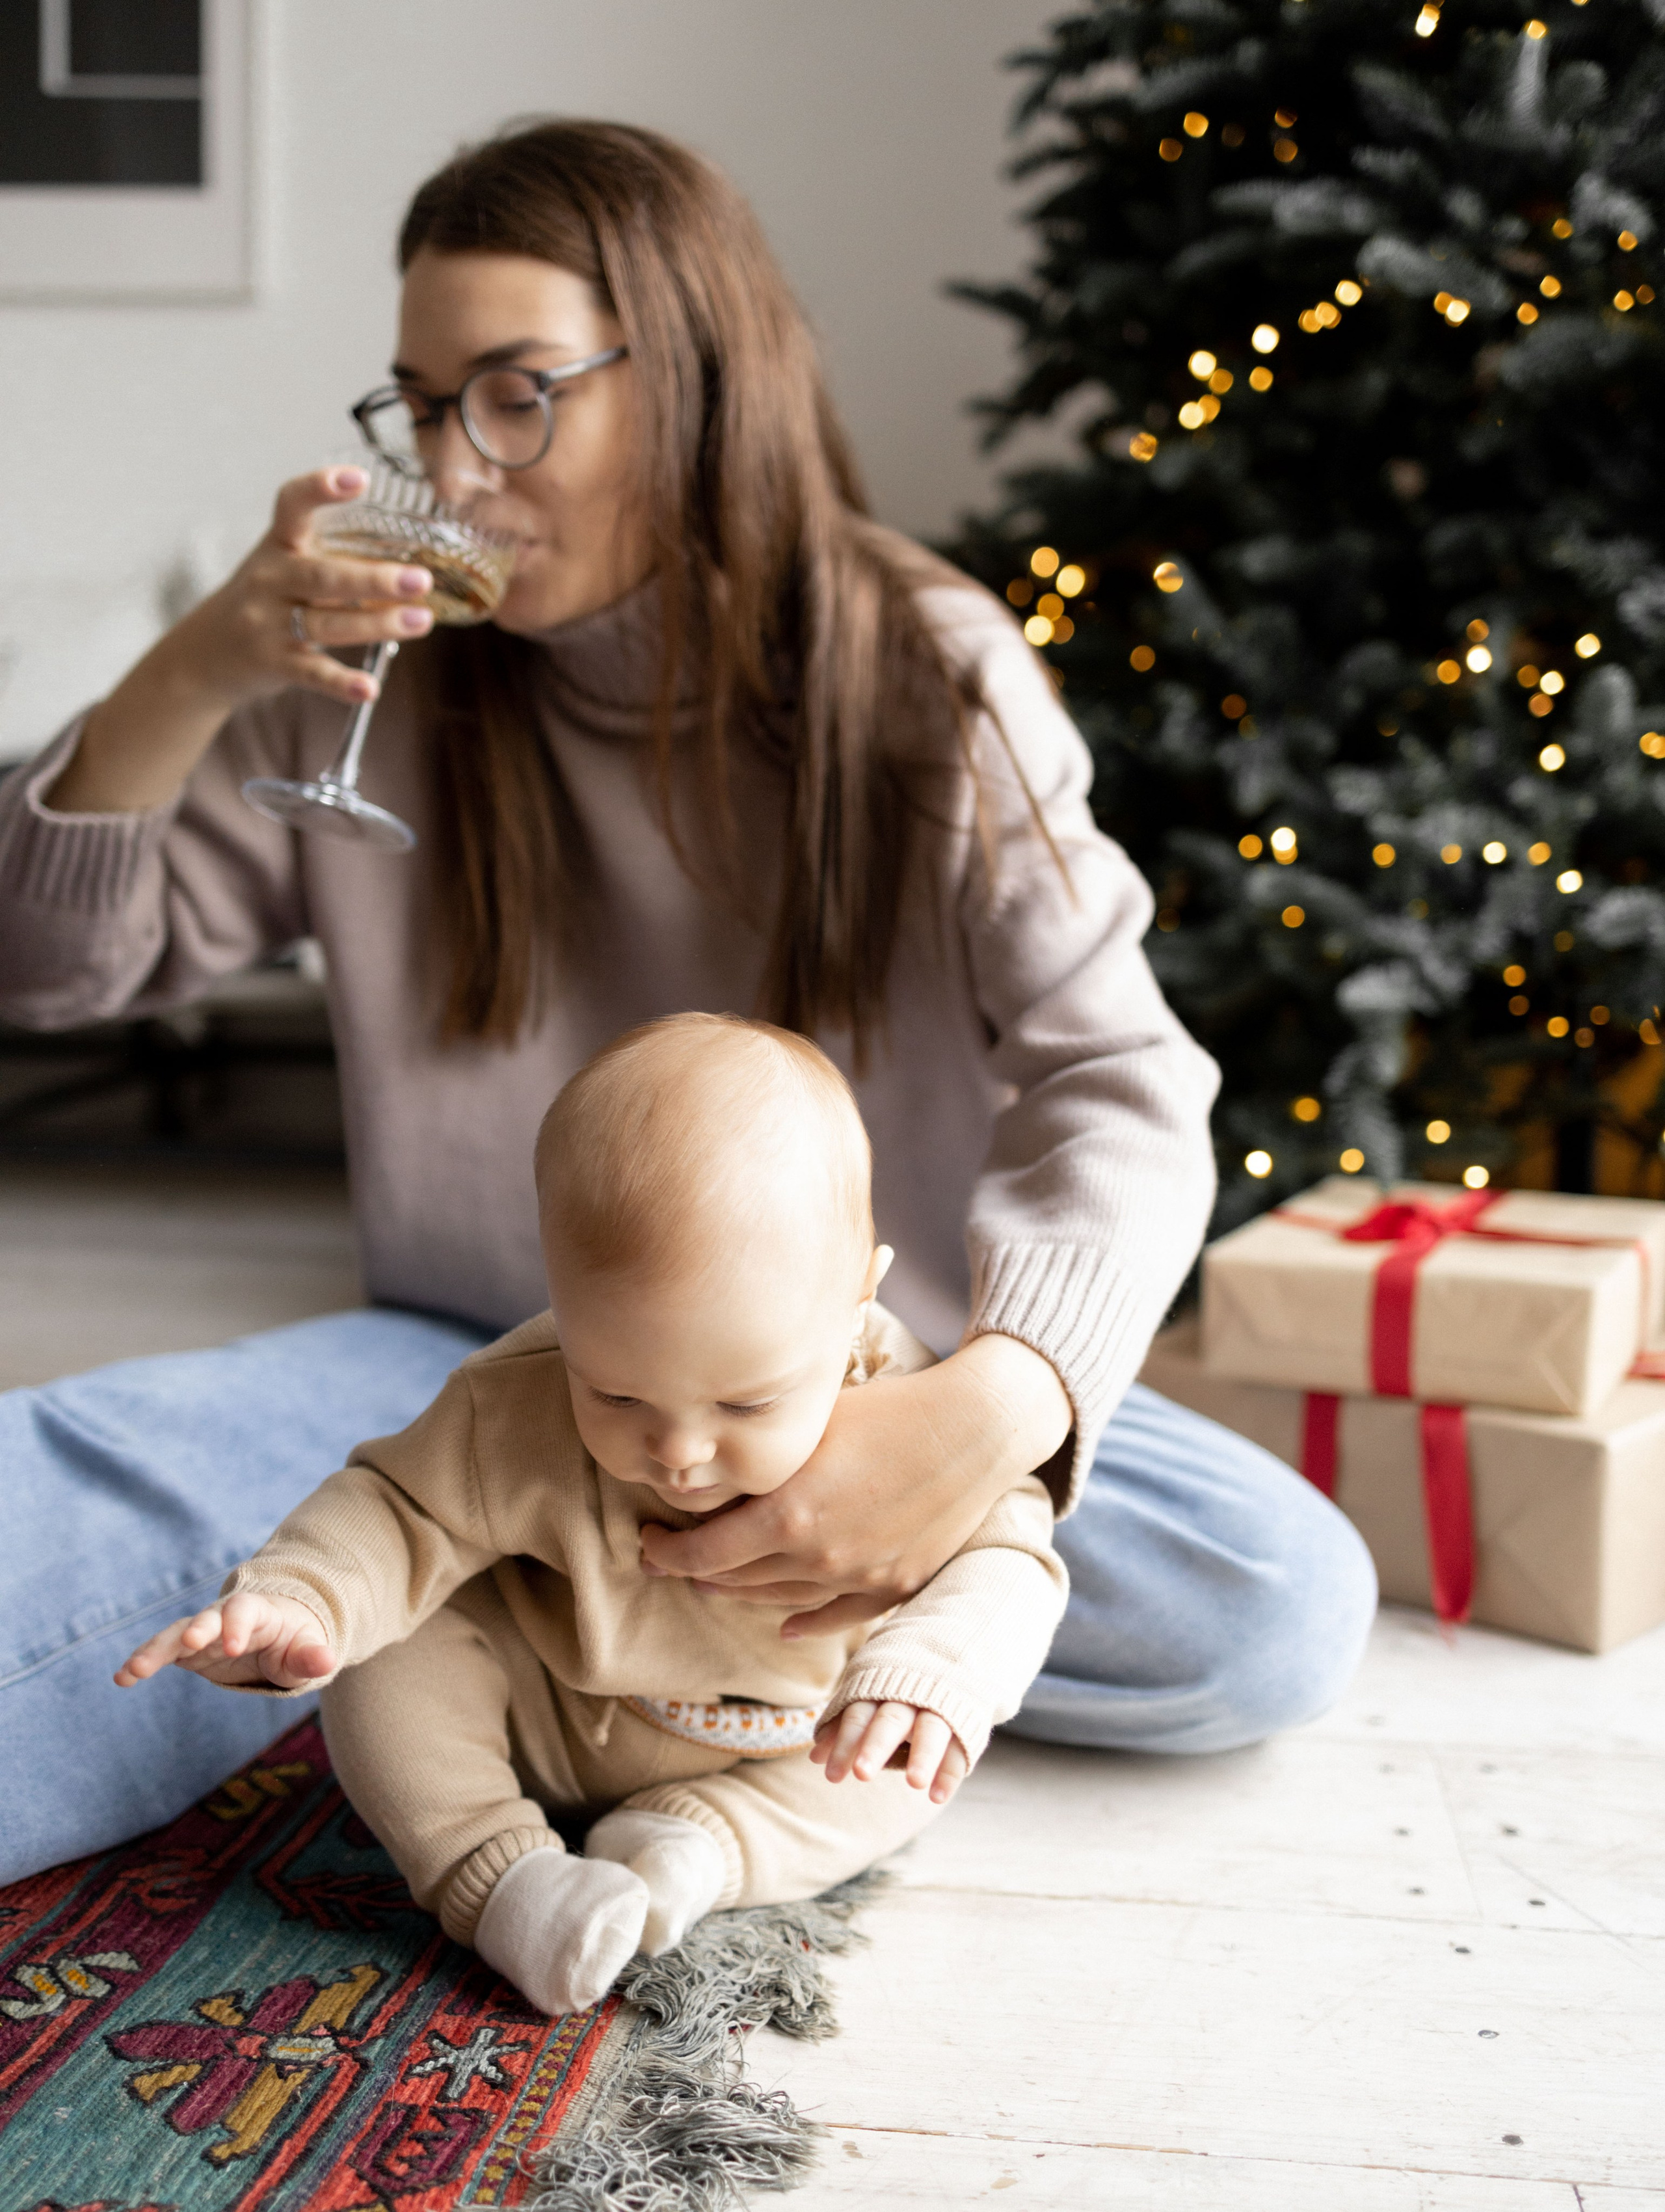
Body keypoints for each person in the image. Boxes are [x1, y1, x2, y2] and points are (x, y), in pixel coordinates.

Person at [0, 118, 1376, 1888]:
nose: (453, 467)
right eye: (421, 407)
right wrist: (193, 669)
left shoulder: (922, 670)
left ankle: (582, 1648)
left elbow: (1124, 1078)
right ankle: (589, 1630)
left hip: (850, 1386)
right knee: (97, 1504)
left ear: (698, 382)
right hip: (477, 1370)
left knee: (1266, 1599)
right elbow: (49, 970)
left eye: (516, 397)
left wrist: (986, 1414)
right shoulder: (374, 670)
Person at [115, 1016, 1067, 2014]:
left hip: (785, 1740)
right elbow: (398, 1508)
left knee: (905, 1763)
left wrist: (932, 1671)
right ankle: (500, 1875)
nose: (679, 1449)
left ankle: (700, 1846)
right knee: (387, 1651)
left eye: (746, 1402)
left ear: (857, 1299)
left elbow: (1012, 1548)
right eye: (616, 1392)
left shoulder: (911, 1406)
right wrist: (303, 1599)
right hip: (555, 1711)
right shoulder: (518, 1400)